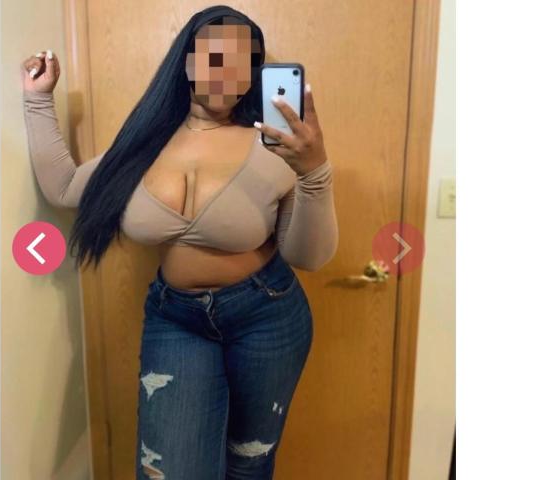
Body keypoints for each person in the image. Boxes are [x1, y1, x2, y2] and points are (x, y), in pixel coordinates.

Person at [21, 5, 338, 479]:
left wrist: (314, 171)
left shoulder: (274, 148)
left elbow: (307, 256)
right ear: (187, 61)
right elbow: (64, 187)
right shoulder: (143, 143)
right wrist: (38, 100)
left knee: (248, 465)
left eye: (243, 62)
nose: (228, 73)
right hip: (177, 321)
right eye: (214, 57)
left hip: (267, 317)